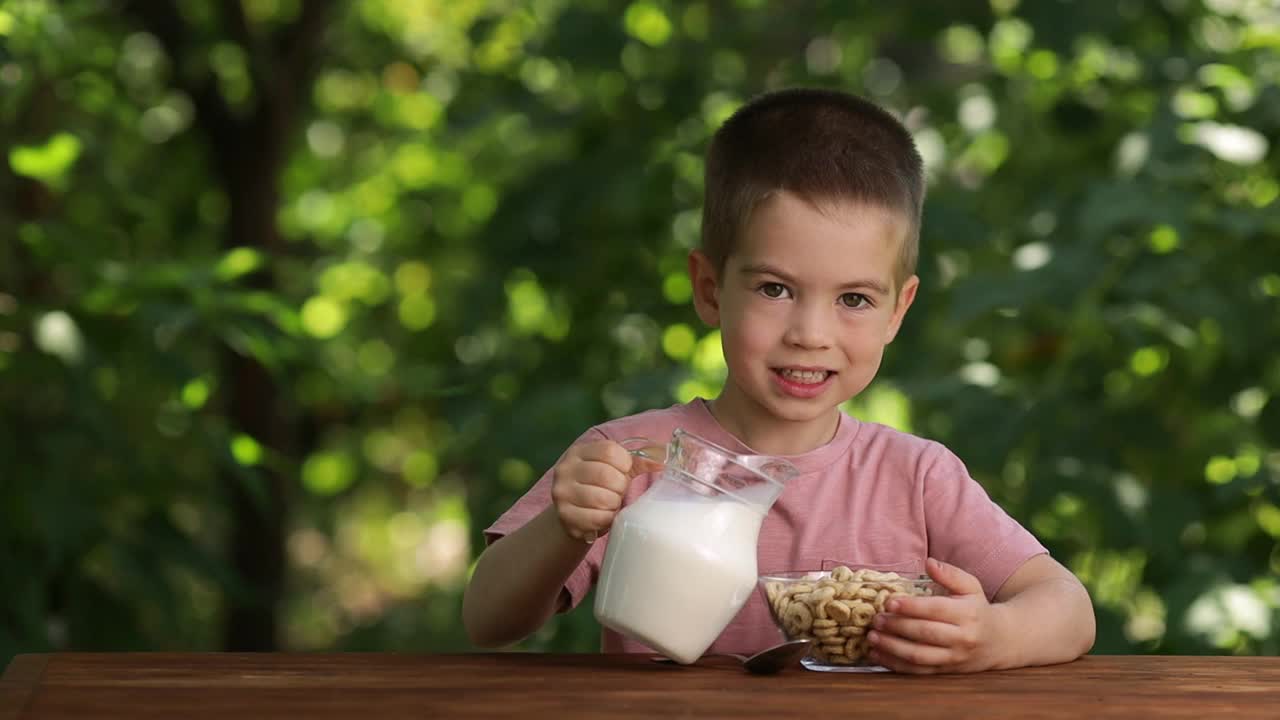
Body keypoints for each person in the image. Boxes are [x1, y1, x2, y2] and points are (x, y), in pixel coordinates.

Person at [462, 87, 1095, 673]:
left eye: (853, 300)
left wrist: (992, 638)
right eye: (775, 288)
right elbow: (488, 621)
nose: (810, 333)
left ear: (898, 311)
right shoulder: (635, 459)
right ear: (711, 290)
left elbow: (1068, 607)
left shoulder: (917, 478)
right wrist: (563, 526)